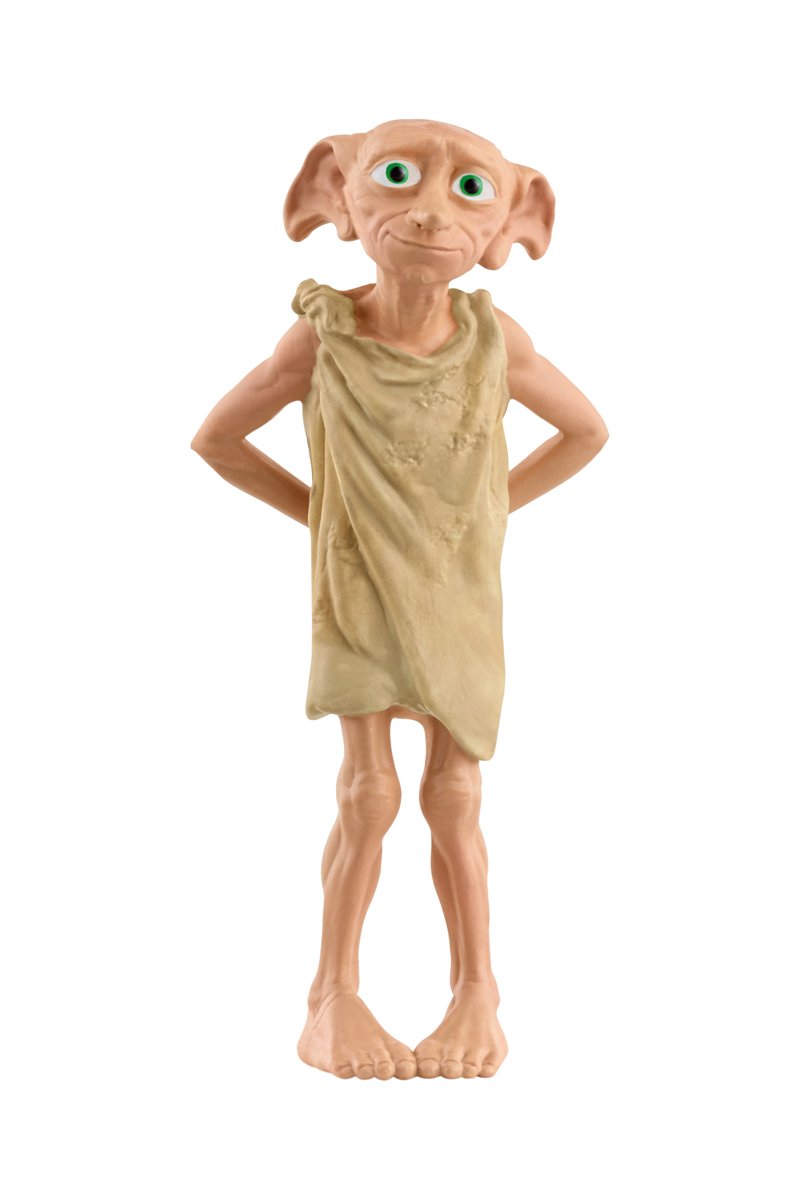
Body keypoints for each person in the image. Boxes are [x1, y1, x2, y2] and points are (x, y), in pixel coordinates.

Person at [190, 118, 609, 1080]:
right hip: (360, 589)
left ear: (514, 219)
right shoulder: (324, 334)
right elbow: (218, 439)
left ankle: (477, 993)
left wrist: (481, 514)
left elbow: (586, 432)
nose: (426, 211)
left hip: (460, 593)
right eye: (396, 176)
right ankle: (331, 995)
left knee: (457, 795)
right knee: (368, 790)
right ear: (337, 191)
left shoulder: (493, 341)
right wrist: (324, 517)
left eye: (469, 190)